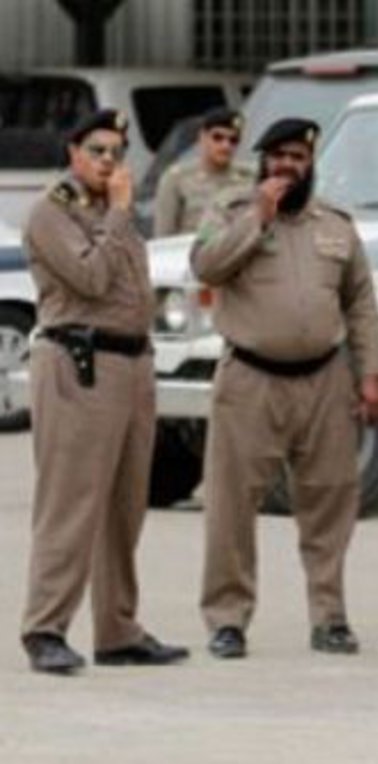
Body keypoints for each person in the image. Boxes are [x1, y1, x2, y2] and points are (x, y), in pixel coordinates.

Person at [192, 118, 378, 659]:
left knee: (330, 500)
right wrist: (258, 216)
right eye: (278, 156)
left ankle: (330, 617)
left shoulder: (336, 226)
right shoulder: (231, 211)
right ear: (262, 161)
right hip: (250, 379)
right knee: (232, 506)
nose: (287, 165)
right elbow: (206, 266)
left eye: (297, 157)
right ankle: (227, 620)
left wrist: (372, 374)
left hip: (324, 379)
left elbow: (361, 303)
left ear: (311, 164)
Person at [20, 109, 188, 674]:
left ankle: (117, 629)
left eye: (117, 151)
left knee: (124, 507)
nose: (109, 161)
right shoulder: (53, 212)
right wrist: (118, 212)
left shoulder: (112, 212)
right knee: (70, 504)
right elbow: (90, 279)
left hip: (131, 364)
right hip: (79, 363)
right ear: (73, 153)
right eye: (97, 150)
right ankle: (45, 627)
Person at [153, 107, 255, 237]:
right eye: (217, 137)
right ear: (202, 137)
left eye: (233, 140)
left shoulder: (249, 176)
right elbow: (163, 236)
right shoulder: (177, 179)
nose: (226, 146)